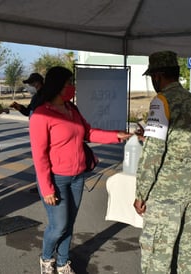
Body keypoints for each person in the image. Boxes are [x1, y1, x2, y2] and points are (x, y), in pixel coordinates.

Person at [29, 66, 130, 274]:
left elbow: (89, 133)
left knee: (70, 223)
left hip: (77, 177)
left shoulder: (71, 109)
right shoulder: (41, 115)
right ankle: (46, 258)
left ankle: (63, 262)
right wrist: (47, 188)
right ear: (57, 85)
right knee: (59, 226)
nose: (72, 87)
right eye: (68, 83)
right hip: (56, 180)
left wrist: (116, 136)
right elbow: (39, 156)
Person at [133, 51, 191, 273]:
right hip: (190, 188)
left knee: (156, 257)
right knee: (186, 254)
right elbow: (181, 141)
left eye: (152, 77)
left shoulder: (161, 101)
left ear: (159, 75)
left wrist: (141, 193)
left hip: (165, 193)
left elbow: (153, 153)